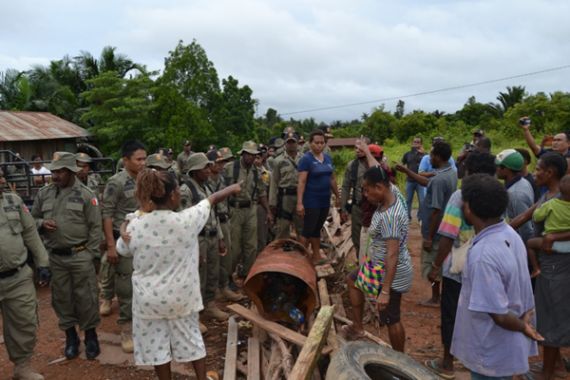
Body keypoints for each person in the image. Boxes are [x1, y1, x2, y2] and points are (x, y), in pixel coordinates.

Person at [116, 168, 239, 380]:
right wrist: (233, 188)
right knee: (191, 339)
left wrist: (128, 221)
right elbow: (211, 200)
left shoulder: (135, 227)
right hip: (181, 298)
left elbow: (122, 249)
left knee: (157, 347)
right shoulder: (187, 220)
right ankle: (202, 378)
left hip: (148, 301)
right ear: (173, 195)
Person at [451, 174, 541, 379]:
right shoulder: (510, 234)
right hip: (503, 347)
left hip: (490, 351)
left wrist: (523, 326)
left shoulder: (483, 255)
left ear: (469, 208)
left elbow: (498, 314)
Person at [424, 152, 497, 379]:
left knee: (451, 315)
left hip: (459, 268)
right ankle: (478, 361)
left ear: (469, 171)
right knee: (483, 315)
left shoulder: (460, 196)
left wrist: (435, 267)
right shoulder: (499, 194)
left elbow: (447, 235)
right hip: (487, 266)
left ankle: (447, 362)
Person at [31, 152, 102, 360]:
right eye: (53, 171)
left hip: (81, 255)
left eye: (60, 171)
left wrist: (91, 254)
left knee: (86, 297)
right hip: (56, 257)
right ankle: (71, 337)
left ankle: (91, 336)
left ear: (71, 171)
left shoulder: (87, 194)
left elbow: (95, 228)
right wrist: (42, 223)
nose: (55, 175)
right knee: (62, 299)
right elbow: (32, 220)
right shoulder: (44, 194)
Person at [510, 152, 569, 379]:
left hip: (556, 265)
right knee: (551, 312)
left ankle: (548, 371)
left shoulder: (556, 199)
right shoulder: (550, 197)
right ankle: (555, 366)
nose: (534, 173)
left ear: (550, 173)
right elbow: (525, 216)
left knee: (552, 314)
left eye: (538, 169)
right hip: (551, 263)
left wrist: (554, 238)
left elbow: (527, 217)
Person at [342, 166, 413, 352]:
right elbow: (377, 169)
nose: (365, 194)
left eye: (367, 189)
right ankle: (358, 328)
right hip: (377, 266)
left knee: (391, 317)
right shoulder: (393, 191)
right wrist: (366, 150)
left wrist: (386, 291)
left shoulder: (391, 217)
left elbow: (392, 254)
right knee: (353, 280)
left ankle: (400, 358)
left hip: (391, 273)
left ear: (380, 187)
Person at [0, 167, 50, 380]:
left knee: (25, 322)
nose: (0, 178)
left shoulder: (13, 201)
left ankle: (22, 367)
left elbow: (30, 231)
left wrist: (43, 262)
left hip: (17, 276)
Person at [397, 141, 458, 307]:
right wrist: (406, 171)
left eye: (431, 154)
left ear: (438, 157)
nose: (428, 157)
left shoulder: (439, 180)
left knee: (433, 264)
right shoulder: (449, 172)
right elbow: (426, 183)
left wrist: (429, 237)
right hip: (446, 226)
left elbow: (436, 211)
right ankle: (439, 296)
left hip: (436, 230)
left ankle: (435, 298)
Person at [100, 140, 147, 353]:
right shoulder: (116, 183)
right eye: (139, 159)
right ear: (126, 160)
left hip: (146, 242)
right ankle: (126, 328)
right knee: (126, 287)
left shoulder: (147, 179)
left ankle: (145, 325)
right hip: (125, 243)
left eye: (145, 158)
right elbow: (107, 214)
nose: (143, 163)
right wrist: (111, 246)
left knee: (146, 285)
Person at [180, 153, 229, 326]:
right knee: (198, 276)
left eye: (209, 167)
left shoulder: (206, 187)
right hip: (198, 239)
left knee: (212, 273)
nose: (209, 170)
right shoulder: (186, 190)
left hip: (212, 236)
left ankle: (209, 304)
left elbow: (213, 214)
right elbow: (184, 220)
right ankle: (194, 314)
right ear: (194, 171)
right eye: (204, 168)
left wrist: (221, 237)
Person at [224, 141, 271, 285]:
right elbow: (221, 190)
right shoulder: (230, 168)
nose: (251, 157)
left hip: (251, 209)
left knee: (251, 246)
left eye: (254, 155)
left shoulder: (258, 171)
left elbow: (262, 193)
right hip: (234, 209)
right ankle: (228, 278)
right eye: (248, 154)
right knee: (234, 248)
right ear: (243, 154)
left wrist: (268, 211)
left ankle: (246, 275)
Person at [296, 129, 340, 265]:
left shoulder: (327, 158)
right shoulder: (306, 160)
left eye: (322, 143)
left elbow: (332, 179)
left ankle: (316, 256)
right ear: (310, 143)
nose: (319, 145)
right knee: (307, 230)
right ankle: (300, 260)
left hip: (324, 200)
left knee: (317, 228)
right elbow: (301, 182)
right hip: (311, 200)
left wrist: (337, 196)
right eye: (316, 143)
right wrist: (299, 203)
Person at [207, 148, 242, 301]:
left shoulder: (222, 179)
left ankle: (224, 287)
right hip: (211, 223)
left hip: (224, 220)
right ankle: (212, 293)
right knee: (211, 261)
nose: (221, 166)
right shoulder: (204, 181)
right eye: (218, 163)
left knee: (226, 255)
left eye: (223, 162)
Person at [526, 175, 570, 278]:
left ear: (560, 190)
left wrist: (538, 208)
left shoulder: (551, 204)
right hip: (568, 245)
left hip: (551, 244)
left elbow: (536, 217)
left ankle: (536, 269)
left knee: (529, 243)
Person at [495, 149, 535, 243]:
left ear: (506, 170)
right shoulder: (522, 181)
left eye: (499, 166)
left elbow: (525, 229)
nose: (496, 169)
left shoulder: (516, 194)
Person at [269, 132, 304, 240]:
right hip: (284, 197)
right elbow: (274, 182)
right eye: (289, 142)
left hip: (300, 196)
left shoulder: (304, 159)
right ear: (285, 143)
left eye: (293, 142)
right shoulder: (278, 161)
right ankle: (280, 254)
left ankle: (303, 252)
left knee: (302, 227)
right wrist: (272, 202)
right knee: (283, 227)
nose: (291, 145)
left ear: (297, 143)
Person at [340, 137, 371, 254]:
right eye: (355, 148)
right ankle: (361, 266)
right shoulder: (352, 166)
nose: (357, 150)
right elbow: (345, 187)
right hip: (358, 208)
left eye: (361, 147)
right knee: (357, 240)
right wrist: (343, 208)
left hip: (375, 210)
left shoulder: (376, 163)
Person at [401, 136, 426, 221]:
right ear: (412, 143)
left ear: (421, 144)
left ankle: (421, 217)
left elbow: (430, 164)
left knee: (422, 201)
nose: (416, 143)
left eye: (418, 142)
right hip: (410, 181)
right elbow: (403, 164)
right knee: (408, 200)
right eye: (414, 142)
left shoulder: (425, 155)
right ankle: (407, 218)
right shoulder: (407, 154)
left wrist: (423, 154)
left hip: (421, 182)